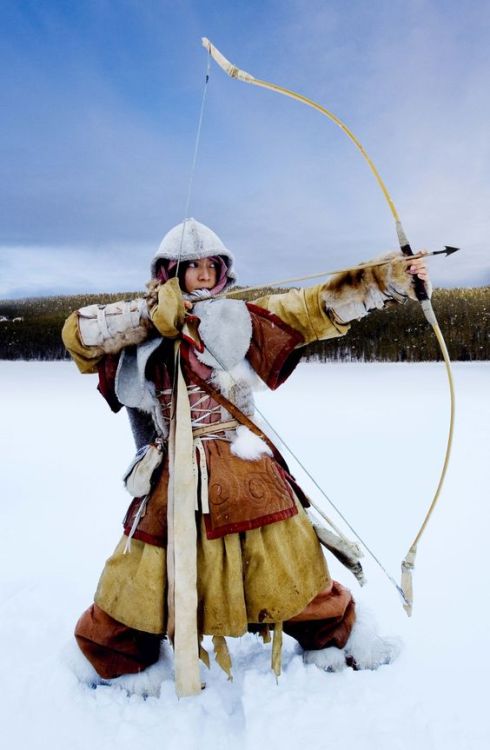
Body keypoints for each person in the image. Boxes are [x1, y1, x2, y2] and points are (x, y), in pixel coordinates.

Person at [62, 218, 430, 696]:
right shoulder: (140, 325)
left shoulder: (244, 318)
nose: (201, 273)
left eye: (209, 265)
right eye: (189, 266)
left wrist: (389, 278)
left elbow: (314, 306)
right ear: (168, 270)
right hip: (173, 471)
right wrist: (149, 317)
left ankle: (336, 639)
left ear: (222, 271)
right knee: (142, 574)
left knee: (287, 561)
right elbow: (78, 336)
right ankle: (115, 656)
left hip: (243, 461)